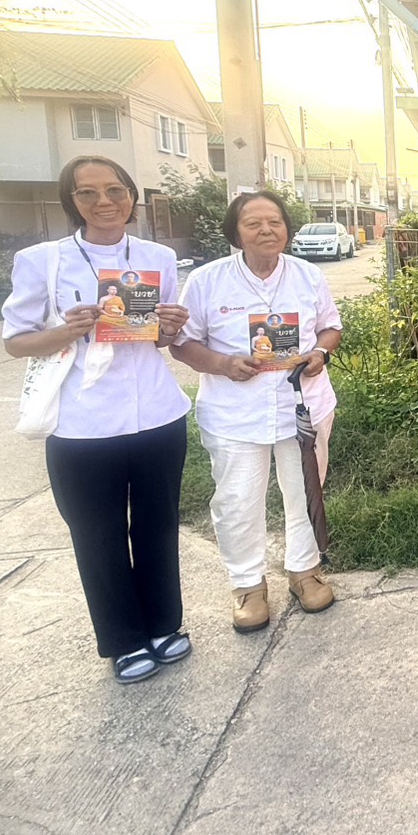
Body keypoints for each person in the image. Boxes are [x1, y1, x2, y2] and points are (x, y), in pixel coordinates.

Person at [0, 156, 193, 683]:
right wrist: (66, 331)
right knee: (98, 533)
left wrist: (171, 327)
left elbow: (162, 338)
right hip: (82, 427)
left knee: (157, 526)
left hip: (156, 416)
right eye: (88, 193)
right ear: (73, 201)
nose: (105, 201)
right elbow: (16, 342)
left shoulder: (156, 255)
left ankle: (163, 626)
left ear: (132, 196)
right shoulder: (45, 260)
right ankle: (124, 640)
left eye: (115, 189)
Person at [171, 191, 342, 632]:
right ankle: (247, 584)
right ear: (236, 232)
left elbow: (330, 326)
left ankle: (304, 571)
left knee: (306, 490)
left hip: (302, 405)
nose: (267, 230)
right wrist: (224, 365)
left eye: (275, 222)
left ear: (287, 228)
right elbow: (183, 343)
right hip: (235, 411)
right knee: (237, 499)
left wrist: (320, 352)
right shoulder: (207, 281)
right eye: (254, 224)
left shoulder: (306, 275)